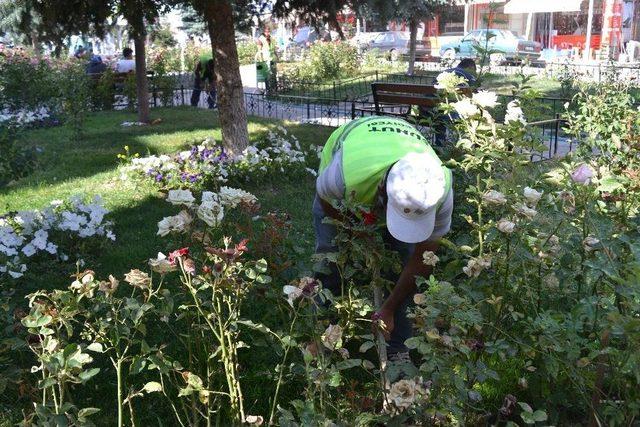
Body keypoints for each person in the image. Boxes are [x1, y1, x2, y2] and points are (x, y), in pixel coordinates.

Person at [313, 116, 454, 360]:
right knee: (331, 259)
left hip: (393, 149)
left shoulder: (439, 191)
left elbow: (424, 258)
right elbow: (326, 203)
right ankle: (319, 337)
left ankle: (397, 350)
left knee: (401, 263)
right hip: (349, 167)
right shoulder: (343, 177)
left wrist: (388, 307)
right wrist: (353, 233)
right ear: (381, 193)